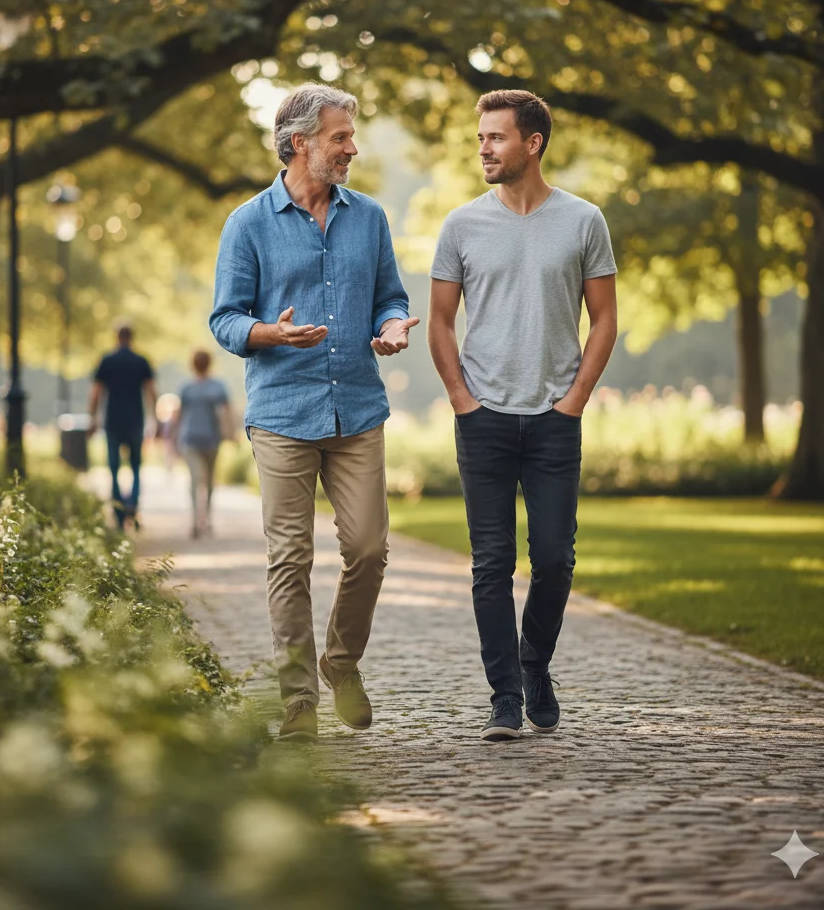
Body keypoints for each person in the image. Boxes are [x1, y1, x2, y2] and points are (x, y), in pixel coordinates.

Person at [210, 83, 419, 742]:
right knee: (289, 558)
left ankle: (341, 661)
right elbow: (225, 319)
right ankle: (298, 699)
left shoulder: (370, 219)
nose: (351, 148)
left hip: (357, 405)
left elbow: (391, 295)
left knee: (369, 549)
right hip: (281, 409)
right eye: (340, 137)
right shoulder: (248, 223)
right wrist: (271, 333)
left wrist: (392, 329)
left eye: (351, 137)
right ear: (299, 142)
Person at [428, 90, 618, 741]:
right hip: (482, 419)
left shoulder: (584, 221)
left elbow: (606, 322)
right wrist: (461, 400)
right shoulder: (460, 226)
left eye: (495, 138)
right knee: (490, 563)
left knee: (557, 559)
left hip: (553, 422)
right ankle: (504, 696)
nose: (483, 147)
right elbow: (441, 323)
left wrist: (574, 403)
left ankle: (535, 664)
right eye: (480, 137)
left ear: (532, 143)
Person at [88, 323, 156, 529]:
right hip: (135, 420)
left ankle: (118, 510)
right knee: (135, 467)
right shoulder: (141, 361)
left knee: (114, 468)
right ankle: (132, 505)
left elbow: (96, 392)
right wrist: (155, 418)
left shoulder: (107, 361)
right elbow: (151, 391)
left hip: (113, 421)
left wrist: (92, 418)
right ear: (131, 337)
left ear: (116, 337)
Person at [168, 349, 234, 539]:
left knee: (197, 480)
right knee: (206, 480)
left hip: (192, 439)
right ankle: (201, 520)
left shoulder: (187, 387)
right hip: (208, 440)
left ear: (192, 364)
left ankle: (200, 520)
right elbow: (226, 413)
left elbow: (178, 416)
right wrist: (230, 434)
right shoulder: (217, 387)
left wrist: (172, 438)